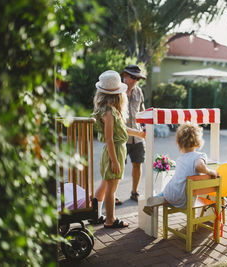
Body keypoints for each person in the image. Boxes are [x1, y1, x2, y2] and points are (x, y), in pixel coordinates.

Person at [91, 70, 145, 228]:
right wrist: (114, 161)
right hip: (113, 152)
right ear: (118, 95)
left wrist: (139, 134)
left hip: (114, 151)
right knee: (112, 187)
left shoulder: (111, 110)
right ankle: (110, 219)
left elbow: (122, 130)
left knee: (105, 183)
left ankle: (95, 215)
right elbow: (109, 138)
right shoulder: (109, 112)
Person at [143, 122, 218, 215]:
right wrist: (210, 171)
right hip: (187, 200)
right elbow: (199, 166)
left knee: (170, 186)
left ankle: (158, 199)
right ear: (198, 141)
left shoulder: (180, 159)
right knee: (180, 189)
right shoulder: (200, 155)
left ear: (179, 142)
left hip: (171, 193)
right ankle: (162, 198)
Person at [117, 64, 147, 204]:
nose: (136, 80)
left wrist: (145, 127)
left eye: (138, 78)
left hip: (138, 137)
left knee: (138, 164)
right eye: (133, 77)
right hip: (121, 136)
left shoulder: (139, 91)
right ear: (124, 76)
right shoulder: (116, 92)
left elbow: (142, 111)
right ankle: (113, 194)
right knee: (117, 166)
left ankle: (134, 193)